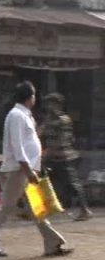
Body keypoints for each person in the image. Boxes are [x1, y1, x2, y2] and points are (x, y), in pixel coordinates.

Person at [0, 82, 73, 258]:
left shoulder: (25, 115)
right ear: (30, 97)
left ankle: (52, 243)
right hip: (19, 169)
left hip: (27, 169)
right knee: (6, 207)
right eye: (34, 96)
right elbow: (18, 146)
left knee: (36, 207)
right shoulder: (16, 116)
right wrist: (28, 170)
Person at [42, 93, 92, 221]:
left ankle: (84, 209)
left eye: (51, 104)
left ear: (58, 105)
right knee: (47, 181)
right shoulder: (49, 119)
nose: (49, 107)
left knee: (73, 184)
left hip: (64, 157)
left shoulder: (63, 120)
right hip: (52, 157)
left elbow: (62, 140)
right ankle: (47, 208)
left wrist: (48, 153)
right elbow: (41, 132)